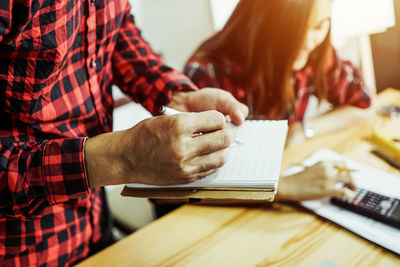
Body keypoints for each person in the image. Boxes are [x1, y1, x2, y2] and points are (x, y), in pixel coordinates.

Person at [0, 0, 248, 265]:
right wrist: (120, 159)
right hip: (24, 251)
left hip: (95, 229)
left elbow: (116, 32)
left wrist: (177, 95)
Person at [182, 0, 372, 203]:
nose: (307, 43)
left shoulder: (314, 56)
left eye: (319, 27)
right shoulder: (208, 73)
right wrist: (282, 188)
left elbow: (364, 108)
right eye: (296, 29)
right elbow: (180, 184)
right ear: (261, 21)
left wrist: (302, 130)